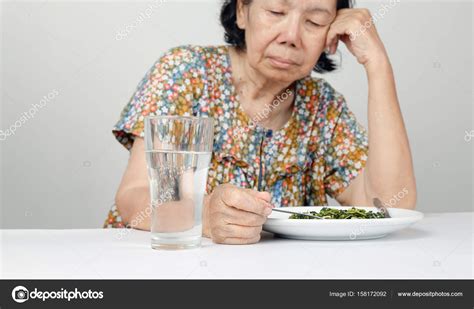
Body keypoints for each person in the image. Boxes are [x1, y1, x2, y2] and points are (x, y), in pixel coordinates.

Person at [104, 0, 417, 245]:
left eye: (315, 21)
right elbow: (135, 196)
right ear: (243, 11)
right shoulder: (185, 73)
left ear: (332, 35)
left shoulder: (324, 108)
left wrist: (376, 63)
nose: (291, 36)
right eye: (276, 11)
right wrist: (205, 216)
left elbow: (390, 204)